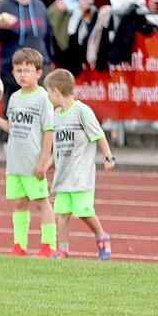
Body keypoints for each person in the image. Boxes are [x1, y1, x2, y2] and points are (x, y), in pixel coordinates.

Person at [0, 48, 57, 258]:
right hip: (15, 163)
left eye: (28, 70)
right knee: (20, 203)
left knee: (41, 203)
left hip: (33, 163)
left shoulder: (43, 98)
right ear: (12, 73)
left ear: (39, 73)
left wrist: (43, 161)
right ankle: (19, 245)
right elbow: (11, 127)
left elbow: (48, 131)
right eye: (19, 70)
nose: (23, 74)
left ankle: (49, 245)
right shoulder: (14, 98)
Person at [43, 68, 115, 260]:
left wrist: (108, 158)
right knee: (62, 213)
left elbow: (99, 134)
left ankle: (102, 236)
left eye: (49, 93)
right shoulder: (56, 115)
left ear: (56, 91)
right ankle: (63, 250)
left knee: (83, 211)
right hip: (63, 175)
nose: (48, 98)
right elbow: (58, 144)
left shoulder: (82, 111)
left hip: (81, 175)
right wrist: (52, 161)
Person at [0, 0, 52, 114]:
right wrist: (1, 27)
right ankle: (8, 135)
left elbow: (47, 35)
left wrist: (48, 59)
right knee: (13, 107)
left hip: (38, 65)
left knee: (41, 107)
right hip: (13, 67)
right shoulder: (3, 7)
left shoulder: (39, 6)